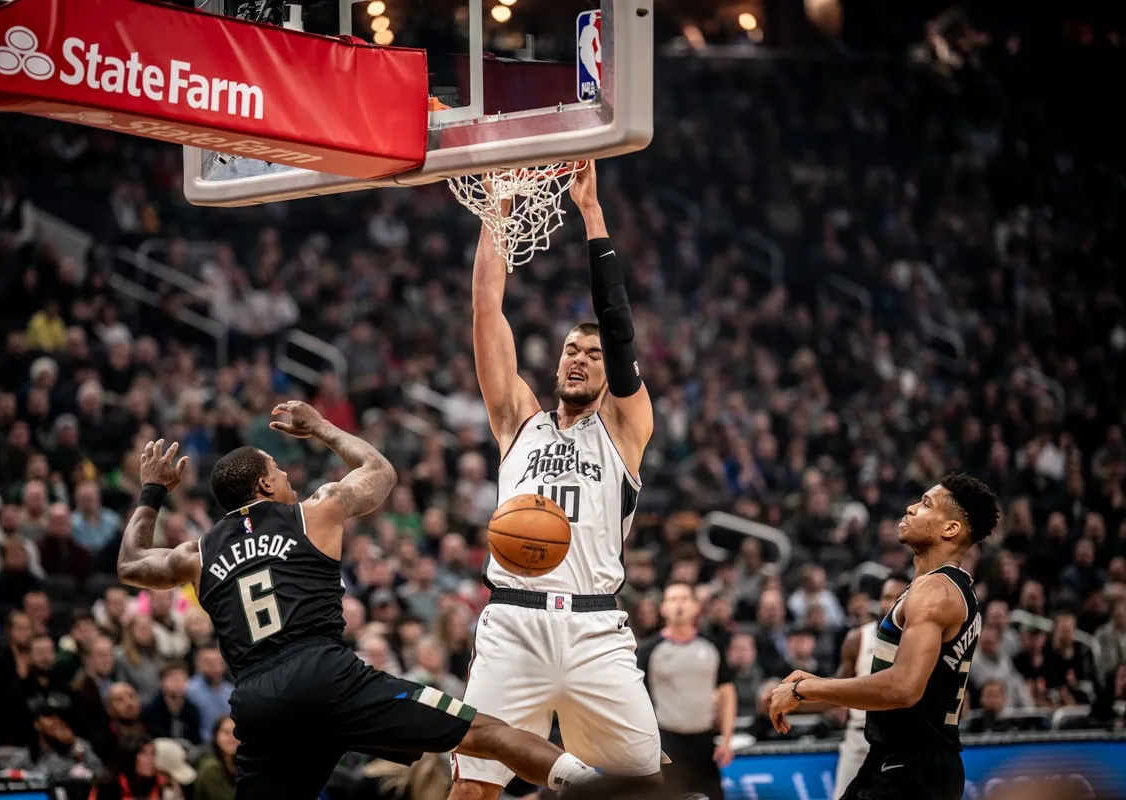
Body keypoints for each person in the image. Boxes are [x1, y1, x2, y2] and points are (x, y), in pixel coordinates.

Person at [116, 402, 600, 800]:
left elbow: (131, 564)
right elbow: (380, 472)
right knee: (485, 733)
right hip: (323, 673)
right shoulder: (314, 512)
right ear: (264, 484)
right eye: (280, 472)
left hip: (257, 700)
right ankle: (601, 789)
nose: (289, 479)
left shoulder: (195, 554)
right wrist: (322, 426)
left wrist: (153, 489)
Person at [452, 161, 662, 800]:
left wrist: (592, 215)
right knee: (472, 788)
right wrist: (497, 213)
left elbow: (618, 326)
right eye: (572, 349)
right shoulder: (518, 420)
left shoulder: (625, 428)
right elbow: (487, 308)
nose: (580, 358)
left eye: (594, 355)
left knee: (642, 789)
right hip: (513, 621)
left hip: (596, 629)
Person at [768, 474, 999, 800]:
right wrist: (818, 682)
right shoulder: (949, 588)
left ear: (950, 529)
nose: (911, 508)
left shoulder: (935, 592)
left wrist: (806, 689)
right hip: (906, 763)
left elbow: (903, 688)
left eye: (925, 504)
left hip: (911, 770)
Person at [637, 582, 735, 798]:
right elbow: (636, 698)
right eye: (672, 599)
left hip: (704, 740)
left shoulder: (711, 645)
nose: (678, 605)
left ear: (696, 607)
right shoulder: (648, 649)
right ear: (663, 608)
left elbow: (727, 692)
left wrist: (727, 739)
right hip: (666, 741)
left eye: (684, 599)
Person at [831, 575, 909, 800]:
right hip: (859, 737)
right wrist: (798, 696)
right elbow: (837, 690)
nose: (891, 602)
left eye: (899, 597)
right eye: (886, 597)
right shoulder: (857, 638)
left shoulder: (924, 639)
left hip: (901, 741)